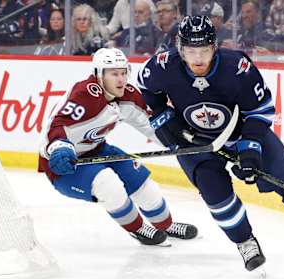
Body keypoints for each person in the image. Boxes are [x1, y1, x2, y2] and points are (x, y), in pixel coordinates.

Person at [136, 15, 284, 271]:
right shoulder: (163, 66)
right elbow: (145, 90)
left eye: (204, 50)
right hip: (196, 141)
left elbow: (260, 110)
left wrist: (250, 150)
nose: (198, 59)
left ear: (214, 46)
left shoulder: (238, 67)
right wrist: (165, 120)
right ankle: (245, 242)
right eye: (191, 51)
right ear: (180, 48)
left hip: (243, 132)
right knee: (215, 194)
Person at [38, 48, 198, 247]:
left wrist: (180, 141)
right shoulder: (83, 95)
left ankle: (165, 225)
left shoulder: (127, 96)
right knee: (108, 185)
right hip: (64, 164)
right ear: (99, 75)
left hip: (98, 150)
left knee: (144, 185)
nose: (121, 79)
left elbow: (151, 126)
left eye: (123, 72)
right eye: (114, 74)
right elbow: (56, 125)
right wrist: (59, 149)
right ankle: (138, 229)